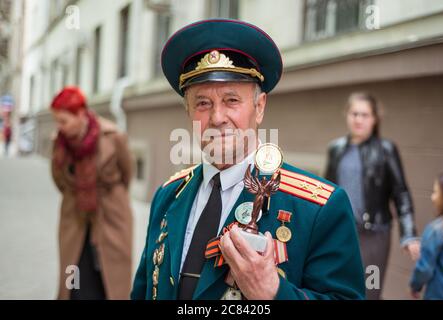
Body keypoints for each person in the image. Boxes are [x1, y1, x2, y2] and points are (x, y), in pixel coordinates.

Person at [131, 19, 365, 300]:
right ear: (188, 113)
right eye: (203, 103)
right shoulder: (168, 196)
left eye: (232, 100)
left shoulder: (318, 208)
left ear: (259, 107)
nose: (217, 118)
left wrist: (273, 293)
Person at [324, 92, 420, 300]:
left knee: (369, 288)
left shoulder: (386, 150)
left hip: (374, 234)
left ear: (375, 119)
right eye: (354, 113)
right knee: (339, 286)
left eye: (365, 115)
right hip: (341, 231)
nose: (358, 119)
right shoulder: (335, 149)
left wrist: (409, 233)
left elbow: (401, 192)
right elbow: (327, 191)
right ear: (347, 115)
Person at [50, 86, 133, 299]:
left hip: (111, 218)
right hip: (75, 220)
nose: (60, 127)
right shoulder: (58, 143)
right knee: (76, 282)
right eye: (57, 121)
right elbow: (59, 179)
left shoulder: (113, 136)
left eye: (63, 121)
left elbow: (127, 174)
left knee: (109, 282)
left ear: (80, 114)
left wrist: (108, 196)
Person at [410, 171, 443, 300]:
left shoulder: (436, 230)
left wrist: (415, 286)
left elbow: (425, 268)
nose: (432, 197)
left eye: (436, 192)